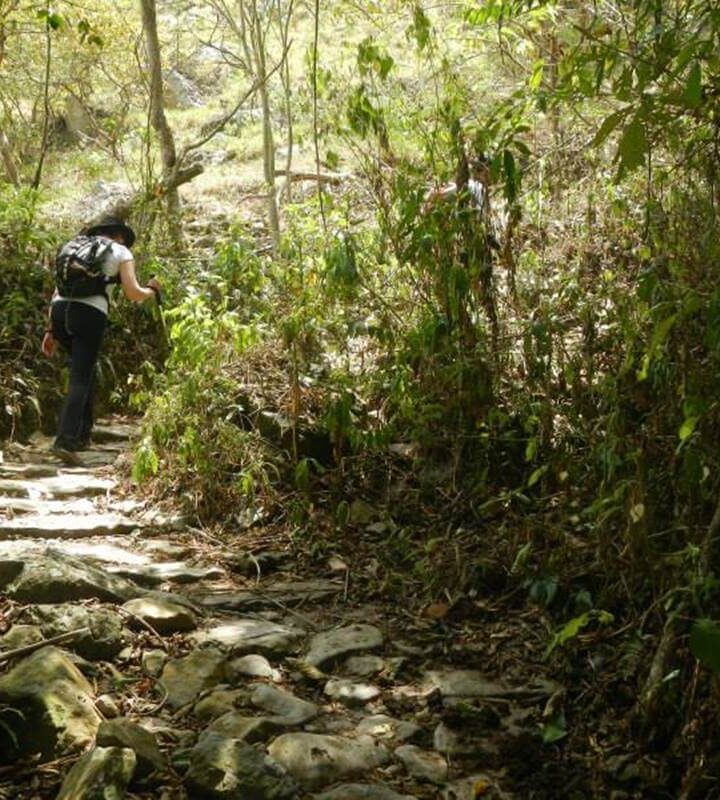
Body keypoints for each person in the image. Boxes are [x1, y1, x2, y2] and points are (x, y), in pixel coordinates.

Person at [41, 216, 161, 454]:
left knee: (84, 371)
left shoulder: (73, 247)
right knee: (80, 378)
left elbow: (58, 288)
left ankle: (82, 435)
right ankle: (64, 441)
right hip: (89, 314)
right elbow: (133, 293)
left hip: (59, 312)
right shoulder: (120, 251)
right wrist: (151, 290)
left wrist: (50, 330)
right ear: (119, 235)